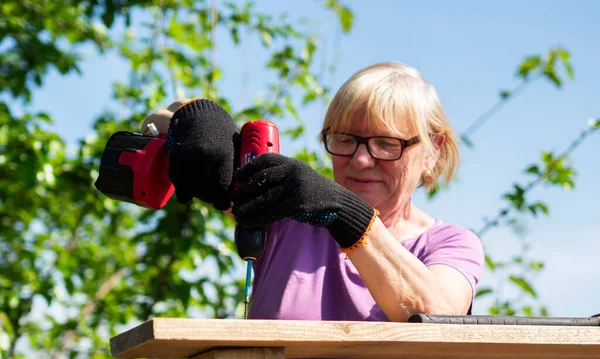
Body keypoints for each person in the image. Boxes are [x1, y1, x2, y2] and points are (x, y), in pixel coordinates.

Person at [141, 62, 485, 322]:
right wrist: (199, 122)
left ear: (433, 150)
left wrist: (347, 215)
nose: (362, 159)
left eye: (386, 143)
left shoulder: (450, 245)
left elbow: (434, 317)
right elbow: (161, 124)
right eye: (346, 140)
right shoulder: (290, 213)